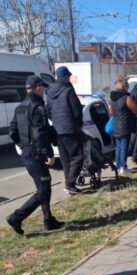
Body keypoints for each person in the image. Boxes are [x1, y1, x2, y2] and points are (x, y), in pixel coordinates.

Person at [7, 75, 64, 235]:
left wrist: (23, 145)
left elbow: (13, 132)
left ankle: (48, 220)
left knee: (42, 187)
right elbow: (41, 133)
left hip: (27, 152)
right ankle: (16, 217)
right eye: (43, 87)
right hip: (37, 152)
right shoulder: (38, 106)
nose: (44, 90)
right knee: (44, 190)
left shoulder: (20, 107)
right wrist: (49, 154)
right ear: (37, 88)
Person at [46, 66, 83, 195]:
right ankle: (69, 183)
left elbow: (48, 112)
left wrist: (56, 122)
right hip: (70, 128)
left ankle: (70, 185)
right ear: (65, 77)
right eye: (68, 76)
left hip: (58, 130)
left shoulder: (49, 92)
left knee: (65, 159)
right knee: (78, 157)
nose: (69, 78)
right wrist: (79, 124)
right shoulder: (68, 90)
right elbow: (77, 110)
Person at [110, 75, 137, 175]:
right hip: (124, 125)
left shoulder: (112, 98)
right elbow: (135, 110)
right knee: (124, 147)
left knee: (118, 147)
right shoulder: (126, 98)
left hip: (115, 124)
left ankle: (118, 166)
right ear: (125, 86)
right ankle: (123, 167)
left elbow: (110, 111)